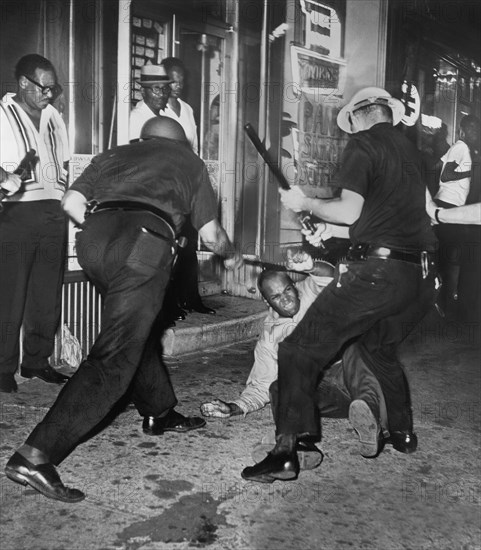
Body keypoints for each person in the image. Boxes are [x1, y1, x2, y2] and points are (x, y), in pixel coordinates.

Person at [4, 117, 243, 503]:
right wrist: (231, 256)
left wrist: (108, 232)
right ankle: (36, 455)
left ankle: (158, 410)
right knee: (115, 356)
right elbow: (213, 236)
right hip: (144, 246)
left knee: (134, 329)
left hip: (94, 242)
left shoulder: (113, 154)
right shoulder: (189, 162)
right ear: (181, 144)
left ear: (143, 138)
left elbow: (71, 202)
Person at [242, 87, 438, 483]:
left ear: (363, 115)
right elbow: (382, 218)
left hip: (377, 274)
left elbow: (350, 209)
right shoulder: (410, 152)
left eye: (351, 123)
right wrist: (327, 229)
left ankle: (287, 450)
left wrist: (306, 203)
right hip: (415, 277)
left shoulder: (364, 144)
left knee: (297, 348)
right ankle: (401, 433)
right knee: (377, 348)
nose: (350, 131)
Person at [201, 254, 393, 464]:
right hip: (333, 394)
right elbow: (262, 385)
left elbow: (328, 276)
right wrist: (233, 407)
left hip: (352, 374)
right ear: (266, 301)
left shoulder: (310, 290)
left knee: (355, 346)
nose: (286, 299)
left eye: (287, 290)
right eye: (276, 297)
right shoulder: (268, 338)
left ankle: (373, 419)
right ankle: (301, 444)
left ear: (295, 285)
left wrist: (312, 266)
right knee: (279, 385)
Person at [0, 54, 70, 393]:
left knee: (46, 293)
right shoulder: (1, 114)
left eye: (53, 88)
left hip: (54, 211)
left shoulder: (55, 116)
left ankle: (36, 362)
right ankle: (2, 367)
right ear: (24, 83)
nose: (50, 94)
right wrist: (5, 176)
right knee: (9, 294)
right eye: (44, 87)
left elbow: (65, 164)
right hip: (15, 212)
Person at [160, 56, 216, 318]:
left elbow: (193, 149)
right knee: (171, 246)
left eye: (181, 80)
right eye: (173, 79)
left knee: (190, 245)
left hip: (189, 185)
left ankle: (192, 299)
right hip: (168, 187)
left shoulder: (188, 109)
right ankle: (170, 304)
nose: (178, 84)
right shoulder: (157, 112)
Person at [433, 115, 481, 316]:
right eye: (470, 129)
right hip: (449, 205)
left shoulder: (460, 148)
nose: (474, 133)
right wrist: (469, 174)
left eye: (476, 130)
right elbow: (446, 175)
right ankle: (444, 303)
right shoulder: (461, 147)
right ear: (462, 130)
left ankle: (442, 300)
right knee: (451, 257)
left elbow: (439, 168)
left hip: (448, 204)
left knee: (447, 255)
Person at [128, 64, 173, 141]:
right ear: (143, 91)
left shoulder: (165, 114)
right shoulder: (135, 118)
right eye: (156, 89)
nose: (161, 94)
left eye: (165, 89)